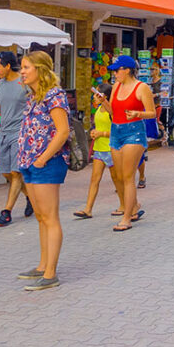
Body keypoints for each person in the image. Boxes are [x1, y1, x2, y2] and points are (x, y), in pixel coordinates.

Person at [15, 51, 70, 291]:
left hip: (46, 163)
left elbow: (63, 131)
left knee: (50, 217)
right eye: (21, 68)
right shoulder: (33, 96)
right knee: (40, 217)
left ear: (40, 69)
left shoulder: (54, 96)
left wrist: (42, 159)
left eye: (26, 67)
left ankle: (50, 273)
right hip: (30, 161)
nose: (22, 72)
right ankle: (42, 265)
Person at [94, 55, 155, 232]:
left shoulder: (141, 87)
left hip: (134, 132)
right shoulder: (116, 87)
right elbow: (113, 111)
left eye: (117, 70)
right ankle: (133, 206)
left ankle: (127, 218)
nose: (115, 74)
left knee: (128, 177)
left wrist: (138, 114)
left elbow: (151, 113)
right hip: (116, 131)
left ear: (127, 70)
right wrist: (103, 101)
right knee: (119, 176)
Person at [0, 52, 31, 227]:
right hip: (4, 133)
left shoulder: (24, 83)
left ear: (8, 66)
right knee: (6, 173)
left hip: (20, 133)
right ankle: (30, 197)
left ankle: (7, 212)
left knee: (16, 172)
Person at [73, 84, 121, 219]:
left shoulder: (112, 110)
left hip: (110, 149)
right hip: (99, 149)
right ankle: (88, 209)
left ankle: (125, 205)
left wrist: (102, 133)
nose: (93, 97)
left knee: (117, 180)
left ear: (104, 96)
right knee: (94, 179)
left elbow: (117, 132)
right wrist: (95, 133)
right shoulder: (99, 109)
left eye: (96, 94)